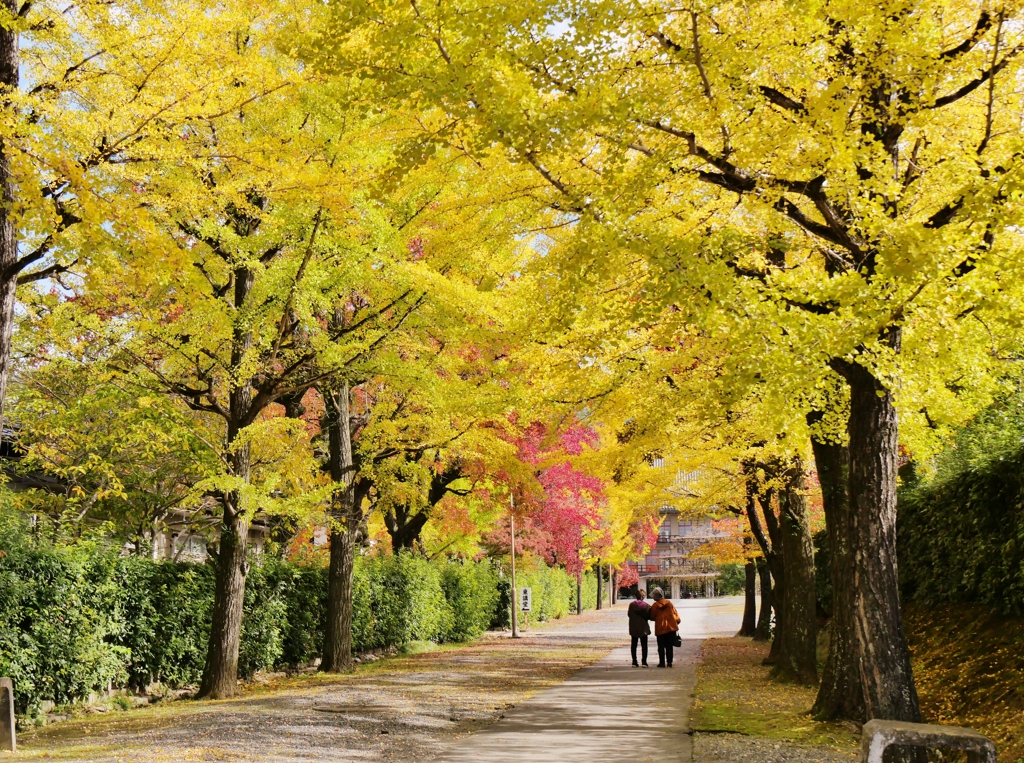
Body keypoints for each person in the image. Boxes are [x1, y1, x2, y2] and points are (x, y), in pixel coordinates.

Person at [649, 587, 681, 668]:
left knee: (661, 646)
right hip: (671, 627)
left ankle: (662, 662)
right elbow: (675, 613)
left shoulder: (655, 606)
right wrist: (676, 621)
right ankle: (669, 662)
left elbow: (652, 617)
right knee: (669, 646)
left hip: (660, 628)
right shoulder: (669, 603)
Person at [627, 589, 651, 667]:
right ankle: (644, 662)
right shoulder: (647, 606)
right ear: (644, 596)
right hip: (643, 627)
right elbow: (648, 616)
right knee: (644, 645)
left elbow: (629, 614)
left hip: (634, 626)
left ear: (635, 596)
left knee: (634, 645)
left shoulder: (632, 605)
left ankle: (634, 662)